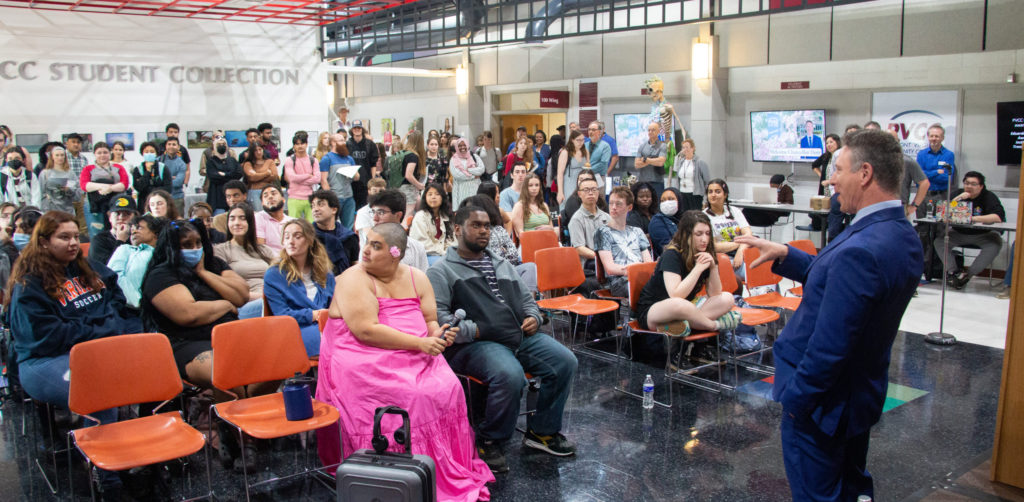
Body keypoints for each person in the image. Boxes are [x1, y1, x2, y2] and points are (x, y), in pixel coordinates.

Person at [735, 128, 922, 501]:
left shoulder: (863, 249)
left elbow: (829, 347)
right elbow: (844, 283)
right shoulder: (899, 234)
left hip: (824, 406)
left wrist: (796, 402)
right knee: (851, 488)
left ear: (865, 173)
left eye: (839, 169)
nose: (832, 179)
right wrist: (788, 255)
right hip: (858, 396)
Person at [315, 222, 493, 499]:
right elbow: (366, 331)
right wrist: (421, 343)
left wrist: (438, 334)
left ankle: (435, 468)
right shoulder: (353, 278)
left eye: (377, 246)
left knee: (449, 387)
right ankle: (394, 473)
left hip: (413, 352)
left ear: (396, 253)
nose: (366, 251)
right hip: (361, 357)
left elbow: (430, 320)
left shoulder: (417, 277)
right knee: (414, 395)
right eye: (367, 243)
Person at [428, 206, 578, 474]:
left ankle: (541, 433)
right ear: (458, 230)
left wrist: (534, 317)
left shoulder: (501, 263)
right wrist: (475, 330)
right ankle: (490, 438)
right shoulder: (441, 271)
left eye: (487, 225)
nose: (484, 230)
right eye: (476, 225)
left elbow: (526, 301)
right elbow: (439, 319)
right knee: (510, 374)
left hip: (515, 334)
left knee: (565, 361)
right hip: (474, 344)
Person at [7, 211, 140, 498]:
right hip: (44, 361)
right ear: (43, 242)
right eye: (63, 237)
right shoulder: (29, 284)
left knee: (147, 370)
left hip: (96, 349)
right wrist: (102, 327)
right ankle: (108, 480)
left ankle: (131, 456)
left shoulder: (86, 267)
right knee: (97, 388)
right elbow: (50, 336)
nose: (72, 243)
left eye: (75, 237)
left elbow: (115, 303)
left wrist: (103, 327)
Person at [141, 218, 263, 472]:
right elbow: (188, 314)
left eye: (198, 242)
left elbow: (240, 295)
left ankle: (227, 422)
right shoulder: (161, 274)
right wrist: (225, 305)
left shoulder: (213, 264)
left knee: (272, 365)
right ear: (172, 247)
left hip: (230, 337)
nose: (194, 248)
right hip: (187, 344)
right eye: (187, 244)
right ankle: (245, 439)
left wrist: (203, 273)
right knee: (225, 372)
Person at [635, 210, 740, 356]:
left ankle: (683, 326)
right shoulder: (672, 254)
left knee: (727, 297)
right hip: (655, 311)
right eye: (699, 234)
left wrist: (713, 267)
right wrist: (697, 269)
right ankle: (713, 325)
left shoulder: (705, 254)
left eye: (708, 234)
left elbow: (715, 294)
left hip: (686, 312)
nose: (704, 239)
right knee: (680, 304)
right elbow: (676, 294)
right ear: (687, 234)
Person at [263, 219, 334, 356]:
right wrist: (314, 315)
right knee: (335, 344)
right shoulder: (274, 274)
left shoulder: (325, 273)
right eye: (287, 236)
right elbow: (282, 314)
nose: (291, 241)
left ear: (310, 240)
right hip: (295, 329)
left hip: (326, 326)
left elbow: (335, 306)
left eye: (297, 236)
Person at [934, 171, 1005, 290]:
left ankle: (967, 275)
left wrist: (972, 219)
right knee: (939, 242)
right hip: (958, 233)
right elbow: (943, 213)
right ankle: (954, 272)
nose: (969, 187)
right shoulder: (958, 194)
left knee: (995, 245)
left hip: (984, 234)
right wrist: (958, 198)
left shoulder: (988, 197)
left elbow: (998, 217)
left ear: (981, 186)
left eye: (973, 184)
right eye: (966, 183)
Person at [461, 194, 537, 292]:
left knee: (530, 267)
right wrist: (501, 252)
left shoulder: (499, 229)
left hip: (508, 269)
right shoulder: (469, 234)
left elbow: (513, 255)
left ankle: (529, 302)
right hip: (487, 274)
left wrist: (500, 255)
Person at [214, 202, 275, 320]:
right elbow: (224, 288)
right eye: (232, 219)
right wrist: (265, 297)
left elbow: (279, 277)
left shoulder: (264, 250)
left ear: (250, 223)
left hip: (270, 298)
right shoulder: (220, 251)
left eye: (242, 219)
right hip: (244, 303)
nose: (237, 223)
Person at [596, 187, 653, 297]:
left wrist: (641, 272)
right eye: (611, 203)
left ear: (629, 207)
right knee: (650, 290)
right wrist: (633, 271)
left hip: (641, 277)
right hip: (619, 281)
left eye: (618, 204)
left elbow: (648, 263)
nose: (613, 207)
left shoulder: (637, 231)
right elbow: (610, 268)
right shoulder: (602, 232)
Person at [107, 213, 165, 311]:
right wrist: (138, 302)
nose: (133, 232)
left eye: (139, 228)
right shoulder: (125, 249)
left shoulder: (163, 254)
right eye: (132, 229)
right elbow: (113, 276)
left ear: (155, 234)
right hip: (125, 307)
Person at [369, 189, 429, 271]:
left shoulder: (417, 248)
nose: (375, 218)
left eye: (381, 212)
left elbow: (423, 280)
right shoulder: (368, 247)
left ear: (398, 215)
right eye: (373, 212)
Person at [80, 142, 129, 237]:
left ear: (110, 153)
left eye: (105, 152)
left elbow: (124, 184)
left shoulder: (118, 167)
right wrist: (102, 187)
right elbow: (84, 185)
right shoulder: (88, 169)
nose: (102, 155)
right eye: (99, 153)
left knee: (116, 231)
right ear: (94, 154)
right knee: (97, 233)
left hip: (115, 204)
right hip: (94, 205)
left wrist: (110, 188)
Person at [704, 179, 751, 276]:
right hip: (723, 258)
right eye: (710, 192)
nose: (713, 195)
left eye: (717, 191)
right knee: (754, 274)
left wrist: (740, 251)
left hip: (741, 253)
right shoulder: (704, 217)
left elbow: (748, 234)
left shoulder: (735, 211)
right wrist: (740, 243)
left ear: (725, 195)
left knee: (768, 268)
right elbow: (714, 247)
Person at [310, 189, 359, 275]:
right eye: (313, 206)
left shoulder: (349, 237)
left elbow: (354, 267)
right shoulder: (308, 236)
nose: (315, 209)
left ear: (334, 210)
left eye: (320, 204)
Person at [568, 176, 609, 271]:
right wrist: (602, 258)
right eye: (586, 190)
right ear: (579, 194)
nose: (590, 193)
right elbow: (579, 248)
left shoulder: (606, 217)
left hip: (608, 263)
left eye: (594, 189)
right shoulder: (576, 219)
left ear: (598, 193)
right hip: (589, 267)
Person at [318, 133, 359, 228]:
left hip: (349, 197)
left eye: (344, 140)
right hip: (335, 197)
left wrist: (353, 172)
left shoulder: (349, 158)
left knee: (348, 226)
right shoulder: (327, 159)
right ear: (333, 143)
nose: (344, 143)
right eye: (341, 140)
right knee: (331, 225)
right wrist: (330, 198)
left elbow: (357, 177)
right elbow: (324, 181)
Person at [409, 184, 455, 266]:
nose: (433, 197)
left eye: (437, 194)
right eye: (430, 194)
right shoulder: (420, 216)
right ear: (425, 197)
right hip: (427, 254)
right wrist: (442, 253)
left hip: (444, 254)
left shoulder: (446, 216)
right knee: (442, 265)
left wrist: (448, 252)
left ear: (442, 198)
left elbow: (452, 239)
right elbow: (422, 242)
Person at [916, 124, 956, 209]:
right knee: (921, 221)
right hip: (923, 195)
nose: (934, 139)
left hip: (941, 196)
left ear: (942, 138)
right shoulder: (921, 154)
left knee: (940, 221)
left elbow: (947, 178)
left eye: (937, 136)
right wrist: (937, 172)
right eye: (932, 136)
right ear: (928, 137)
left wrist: (927, 174)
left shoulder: (949, 155)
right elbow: (919, 177)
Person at [89, 194, 137, 265]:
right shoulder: (99, 240)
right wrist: (120, 241)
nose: (121, 217)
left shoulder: (139, 238)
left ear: (135, 217)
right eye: (117, 214)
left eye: (127, 214)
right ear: (110, 216)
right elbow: (106, 268)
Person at [203, 134, 244, 215]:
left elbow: (239, 173)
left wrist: (224, 174)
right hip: (217, 198)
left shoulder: (232, 160)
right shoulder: (211, 161)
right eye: (219, 144)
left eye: (224, 144)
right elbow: (213, 176)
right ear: (214, 146)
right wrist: (230, 175)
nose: (222, 146)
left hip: (233, 198)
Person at [282, 132, 318, 223]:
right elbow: (291, 178)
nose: (300, 146)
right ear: (293, 146)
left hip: (310, 198)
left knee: (312, 226)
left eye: (302, 143)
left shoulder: (313, 160)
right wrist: (308, 176)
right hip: (294, 198)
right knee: (294, 225)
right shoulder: (289, 160)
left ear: (306, 144)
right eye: (297, 144)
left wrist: (298, 179)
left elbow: (317, 178)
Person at [346, 120, 380, 208]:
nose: (357, 130)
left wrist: (372, 179)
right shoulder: (347, 144)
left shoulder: (370, 144)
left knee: (366, 206)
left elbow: (373, 164)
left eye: (359, 128)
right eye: (355, 128)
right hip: (351, 182)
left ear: (362, 129)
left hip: (366, 181)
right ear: (352, 130)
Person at [38, 146, 81, 214]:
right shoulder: (45, 173)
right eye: (57, 155)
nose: (60, 157)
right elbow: (41, 193)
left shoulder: (70, 173)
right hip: (50, 209)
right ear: (52, 157)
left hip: (67, 209)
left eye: (62, 155)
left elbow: (77, 193)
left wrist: (68, 189)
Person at [673, 138, 710, 211]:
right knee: (684, 214)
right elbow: (676, 173)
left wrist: (706, 198)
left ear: (693, 148)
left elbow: (707, 181)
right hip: (682, 193)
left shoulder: (700, 162)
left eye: (687, 147)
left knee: (694, 214)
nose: (685, 149)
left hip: (695, 194)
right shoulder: (681, 161)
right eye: (683, 147)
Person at [254, 185, 294, 253]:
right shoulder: (258, 218)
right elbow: (261, 249)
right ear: (262, 204)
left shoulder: (293, 222)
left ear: (283, 199)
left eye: (273, 193)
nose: (270, 197)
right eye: (265, 196)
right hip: (269, 261)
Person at [132, 141, 173, 205]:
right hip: (143, 202)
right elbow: (138, 187)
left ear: (156, 153)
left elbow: (168, 188)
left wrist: (151, 190)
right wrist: (148, 171)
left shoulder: (163, 168)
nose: (149, 153)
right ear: (142, 153)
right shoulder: (137, 169)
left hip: (160, 201)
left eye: (152, 152)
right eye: (146, 152)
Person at [556, 130, 589, 208]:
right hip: (569, 183)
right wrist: (560, 192)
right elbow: (560, 173)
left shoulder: (585, 152)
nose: (581, 142)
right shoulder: (565, 152)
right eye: (578, 140)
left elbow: (588, 168)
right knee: (569, 206)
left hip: (582, 183)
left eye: (582, 140)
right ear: (572, 140)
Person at [449, 137, 485, 209]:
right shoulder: (453, 159)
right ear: (456, 147)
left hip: (475, 190)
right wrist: (473, 176)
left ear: (467, 145)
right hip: (461, 193)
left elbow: (481, 169)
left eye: (464, 145)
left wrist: (468, 170)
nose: (462, 147)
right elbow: (458, 175)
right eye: (460, 146)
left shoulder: (474, 156)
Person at [242, 143, 279, 211]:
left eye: (260, 149)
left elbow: (274, 176)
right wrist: (266, 173)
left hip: (268, 191)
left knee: (270, 212)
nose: (258, 152)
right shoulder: (248, 164)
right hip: (254, 191)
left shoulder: (269, 162)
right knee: (258, 213)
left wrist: (257, 176)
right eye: (256, 150)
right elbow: (252, 177)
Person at [65, 133, 89, 234]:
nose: (76, 144)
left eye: (78, 142)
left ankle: (83, 244)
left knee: (83, 222)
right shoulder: (62, 157)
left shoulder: (84, 159)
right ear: (67, 143)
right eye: (73, 142)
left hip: (81, 194)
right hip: (66, 194)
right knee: (67, 220)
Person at [650, 187, 684, 258]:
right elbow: (667, 247)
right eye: (663, 200)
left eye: (671, 199)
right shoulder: (657, 221)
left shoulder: (685, 218)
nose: (667, 203)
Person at [634, 122, 667, 196]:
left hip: (657, 182)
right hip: (643, 182)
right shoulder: (642, 146)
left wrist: (645, 159)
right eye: (649, 130)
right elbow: (637, 164)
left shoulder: (663, 146)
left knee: (656, 205)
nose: (650, 132)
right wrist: (654, 160)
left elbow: (660, 162)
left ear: (658, 131)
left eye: (653, 130)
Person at [400, 131, 428, 216]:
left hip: (399, 187)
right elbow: (408, 175)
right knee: (408, 214)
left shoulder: (402, 153)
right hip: (408, 188)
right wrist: (419, 185)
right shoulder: (413, 156)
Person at [356, 178, 387, 248]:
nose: (378, 194)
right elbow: (369, 235)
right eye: (374, 191)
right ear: (369, 191)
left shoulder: (389, 210)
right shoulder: (363, 212)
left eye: (381, 191)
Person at [160, 136, 189, 215]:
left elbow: (178, 182)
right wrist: (171, 177)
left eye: (174, 144)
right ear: (166, 146)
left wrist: (164, 179)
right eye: (169, 144)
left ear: (178, 147)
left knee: (177, 223)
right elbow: (156, 180)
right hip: (161, 198)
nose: (171, 146)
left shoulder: (181, 164)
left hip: (177, 198)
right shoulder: (159, 160)